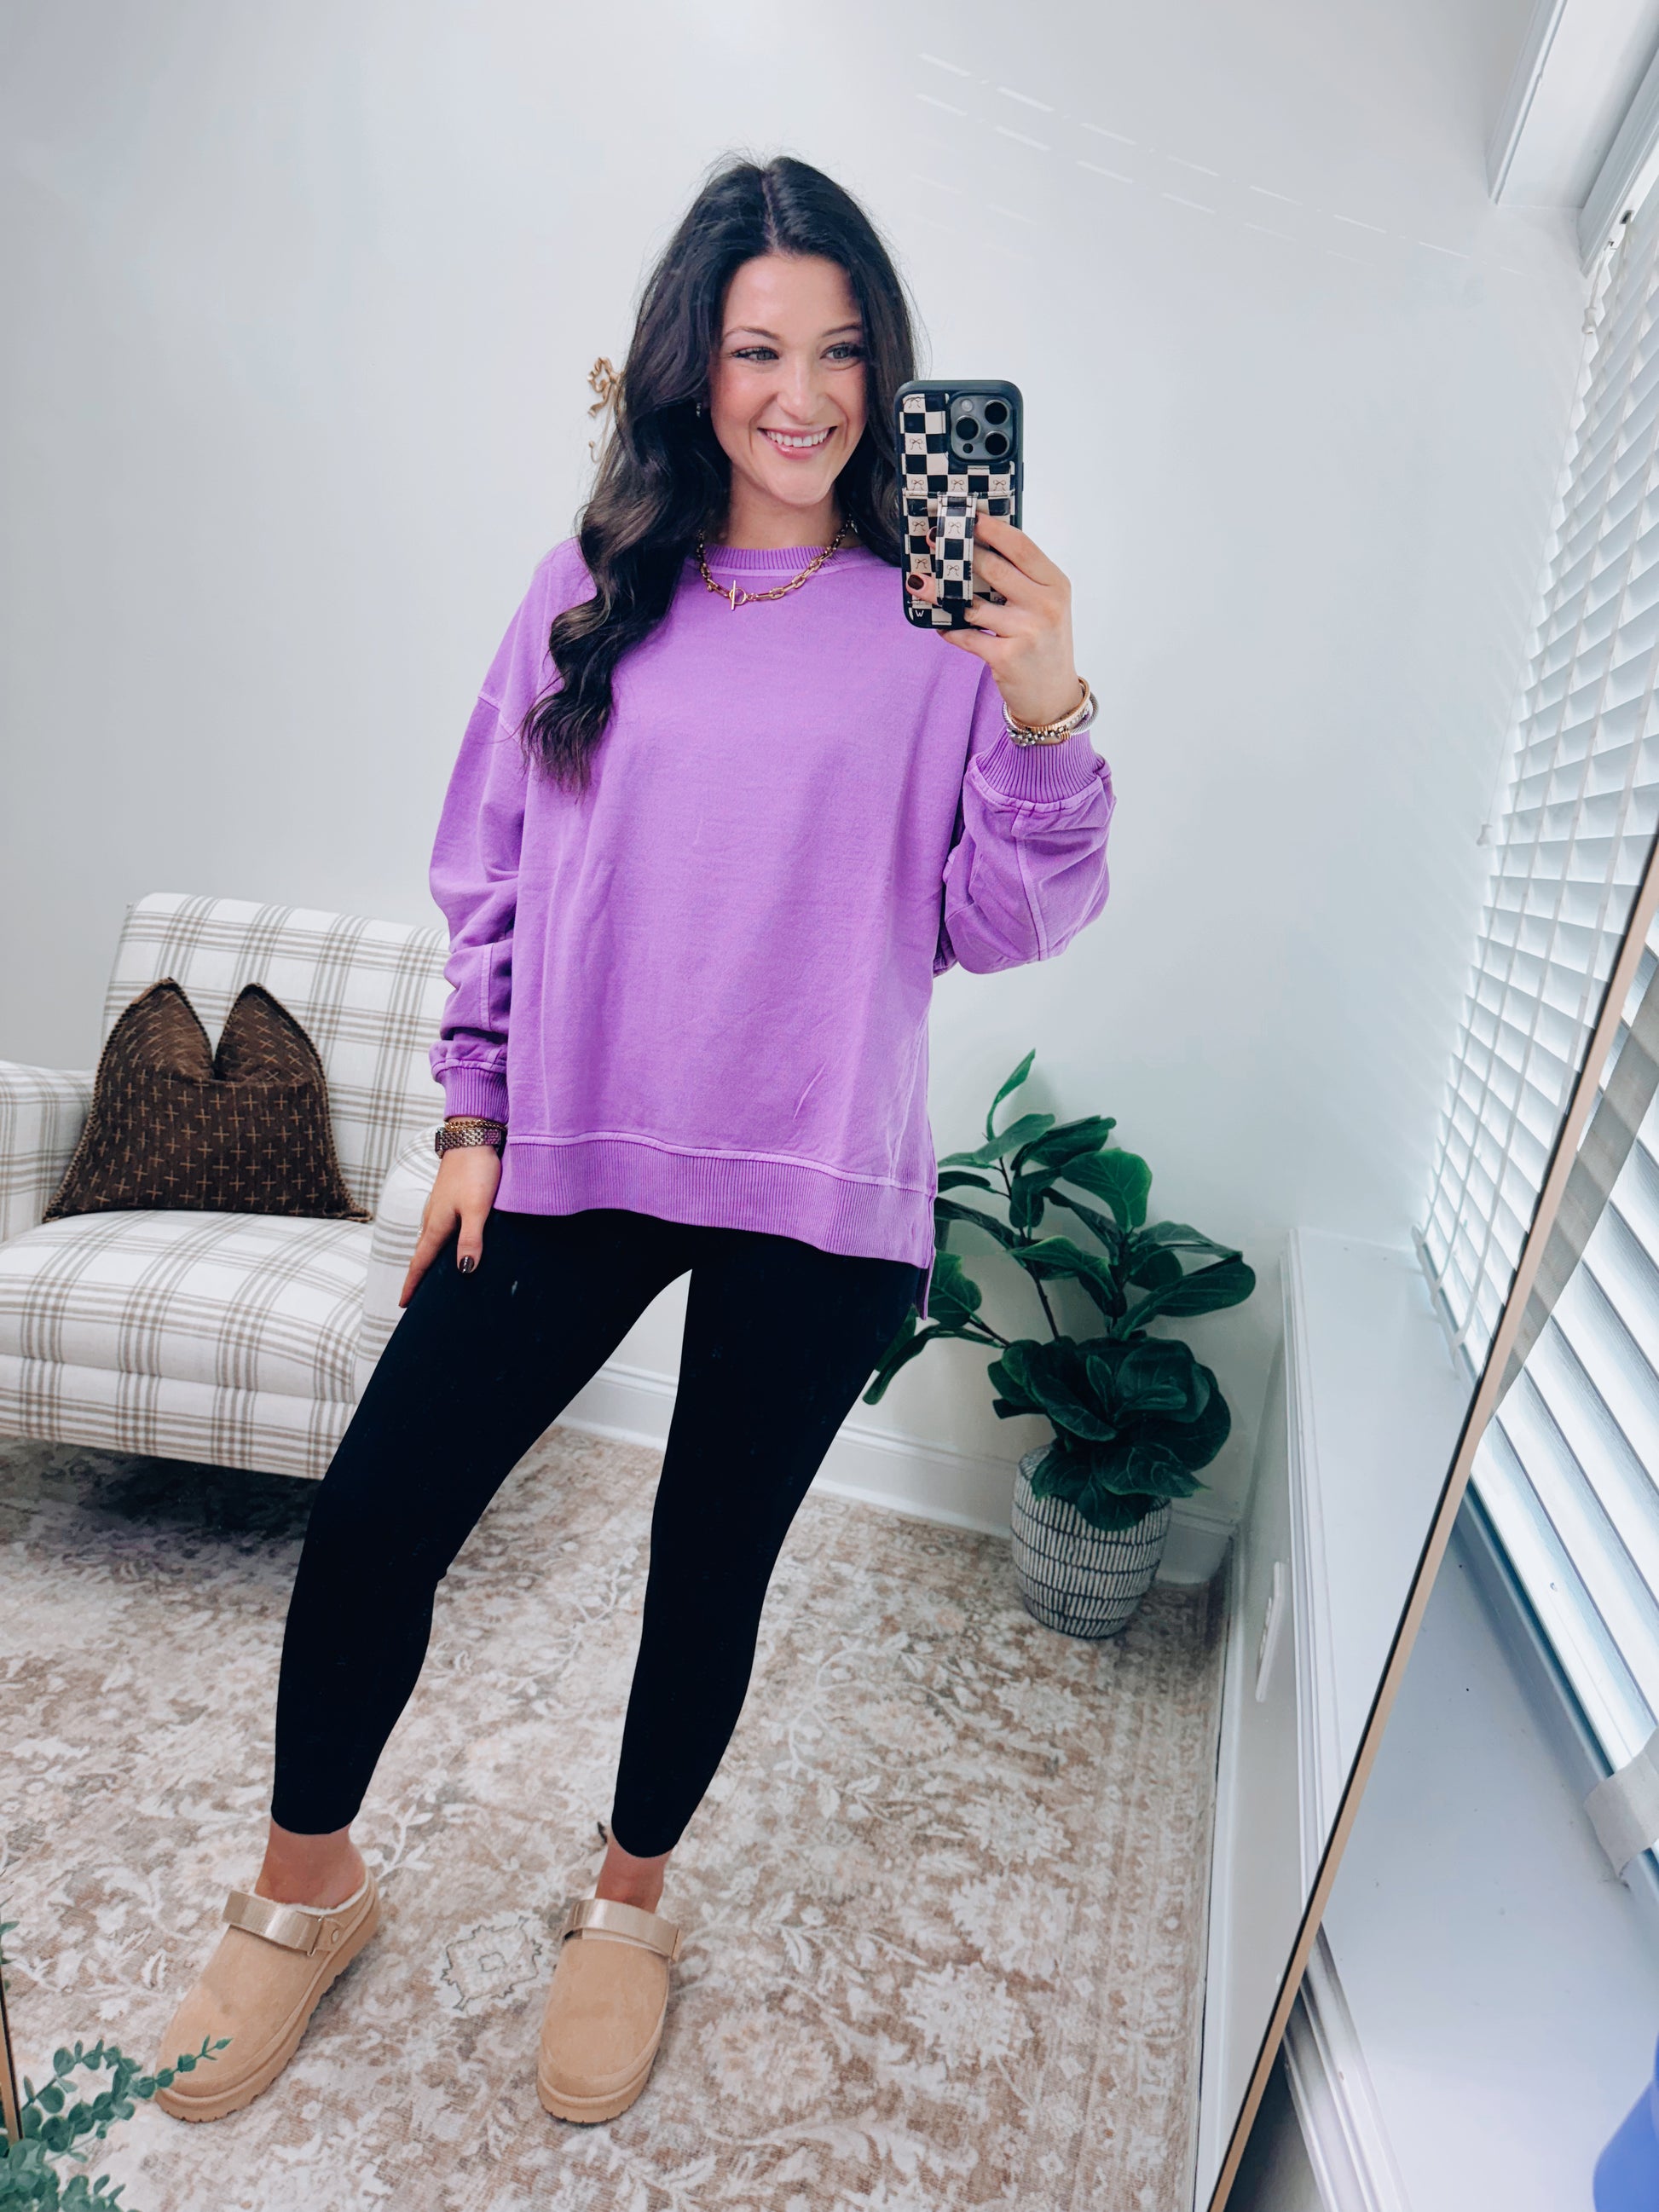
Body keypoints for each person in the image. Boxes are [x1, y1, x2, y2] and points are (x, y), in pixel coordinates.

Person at [151, 152, 1113, 2129]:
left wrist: (1044, 708)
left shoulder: (939, 625)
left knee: (706, 1565)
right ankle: (304, 1885)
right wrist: (472, 1113)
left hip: (819, 1183)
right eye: (758, 349)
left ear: (886, 370)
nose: (801, 395)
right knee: (378, 1509)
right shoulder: (585, 591)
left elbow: (1001, 921)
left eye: (839, 351)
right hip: (573, 1150)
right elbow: (486, 867)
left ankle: (628, 1897)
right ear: (693, 364)